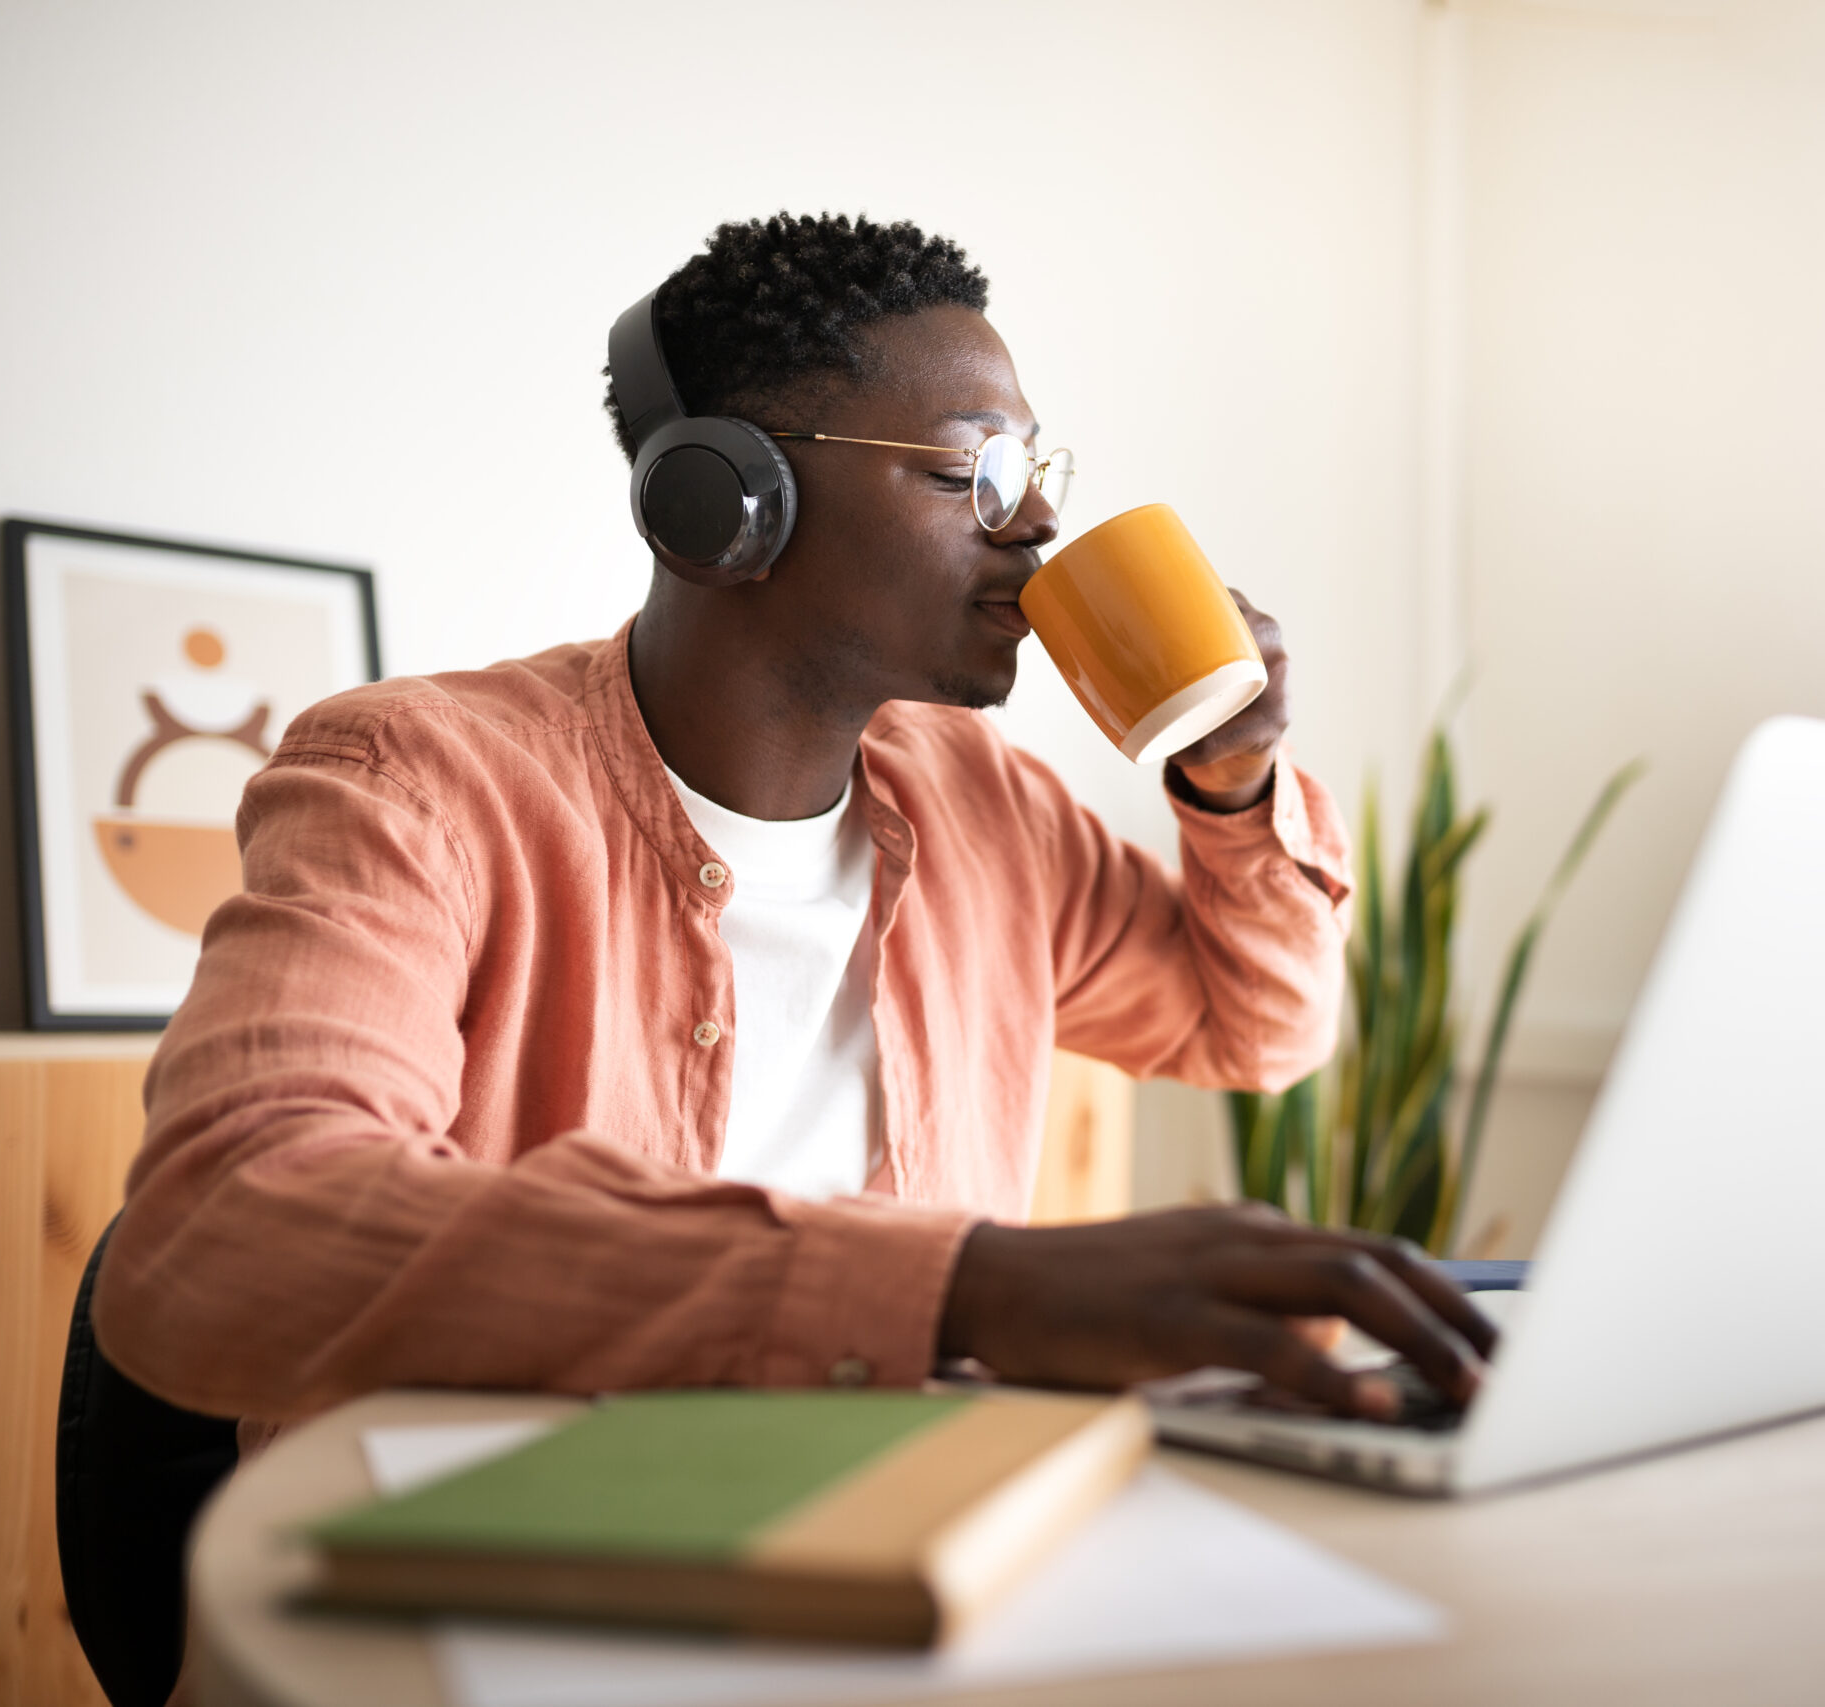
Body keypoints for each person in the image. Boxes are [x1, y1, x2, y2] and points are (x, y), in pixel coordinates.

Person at [95, 213, 1493, 1450]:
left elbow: (1259, 1028)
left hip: (880, 1526)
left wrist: (1235, 783)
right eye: (975, 473)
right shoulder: (417, 782)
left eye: (1038, 468)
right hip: (498, 1563)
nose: (1042, 521)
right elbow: (228, 1232)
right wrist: (967, 1290)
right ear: (727, 507)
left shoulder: (982, 802)